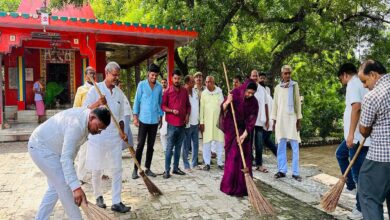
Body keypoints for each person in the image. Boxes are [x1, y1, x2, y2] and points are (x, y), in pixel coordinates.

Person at [28, 107, 111, 220]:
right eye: (98, 127)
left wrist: (74, 182)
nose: (98, 132)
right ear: (92, 117)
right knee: (65, 187)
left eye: (102, 130)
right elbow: (66, 158)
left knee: (55, 188)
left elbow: (70, 154)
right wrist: (76, 188)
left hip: (54, 151)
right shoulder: (76, 126)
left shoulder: (85, 122)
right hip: (40, 148)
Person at [83, 62, 130, 213]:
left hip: (114, 137)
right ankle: (98, 196)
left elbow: (121, 115)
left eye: (118, 75)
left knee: (117, 169)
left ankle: (116, 201)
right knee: (97, 168)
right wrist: (98, 103)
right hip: (98, 136)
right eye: (114, 75)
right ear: (106, 73)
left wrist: (123, 131)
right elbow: (84, 110)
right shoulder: (95, 89)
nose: (116, 78)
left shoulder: (119, 93)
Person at [336, 63, 371, 220]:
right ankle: (349, 184)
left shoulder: (352, 83)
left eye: (340, 79)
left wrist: (350, 135)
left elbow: (356, 107)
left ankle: (359, 208)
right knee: (340, 154)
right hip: (358, 136)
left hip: (356, 137)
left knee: (359, 175)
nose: (341, 82)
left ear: (344, 75)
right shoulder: (362, 83)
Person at [358, 60, 390, 220]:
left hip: (382, 157)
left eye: (364, 81)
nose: (364, 86)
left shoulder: (373, 95)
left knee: (368, 194)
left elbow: (364, 130)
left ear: (374, 75)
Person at [220, 80, 259, 196]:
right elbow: (222, 109)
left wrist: (243, 135)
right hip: (232, 129)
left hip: (244, 130)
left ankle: (243, 187)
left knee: (243, 159)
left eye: (252, 93)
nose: (249, 95)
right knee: (232, 157)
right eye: (248, 92)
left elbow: (252, 120)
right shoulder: (234, 93)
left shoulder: (254, 102)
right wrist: (228, 102)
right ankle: (229, 186)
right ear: (245, 88)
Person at [132, 64, 163, 179]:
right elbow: (137, 101)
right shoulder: (141, 85)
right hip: (143, 120)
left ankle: (148, 168)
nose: (154, 77)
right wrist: (135, 117)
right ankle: (135, 169)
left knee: (151, 146)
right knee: (140, 145)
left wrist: (161, 117)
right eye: (152, 75)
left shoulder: (159, 87)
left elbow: (160, 103)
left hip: (154, 120)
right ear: (148, 74)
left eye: (156, 75)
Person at [272, 65, 303, 181]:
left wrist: (299, 120)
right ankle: (282, 170)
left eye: (289, 73)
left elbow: (298, 103)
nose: (288, 75)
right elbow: (275, 105)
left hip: (292, 119)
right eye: (285, 73)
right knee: (281, 145)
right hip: (280, 119)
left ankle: (295, 172)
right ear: (281, 75)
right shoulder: (277, 88)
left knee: (295, 146)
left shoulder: (295, 86)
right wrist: (274, 121)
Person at [161, 70, 191, 179]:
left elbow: (188, 106)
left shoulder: (184, 91)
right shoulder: (168, 91)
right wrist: (171, 110)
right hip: (172, 124)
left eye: (178, 78)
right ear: (172, 79)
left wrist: (187, 115)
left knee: (179, 148)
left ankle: (176, 168)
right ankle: (167, 170)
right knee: (169, 148)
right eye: (175, 78)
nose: (177, 80)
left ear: (181, 79)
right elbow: (163, 106)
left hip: (182, 124)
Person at [73, 66, 96, 184]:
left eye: (94, 73)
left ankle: (98, 173)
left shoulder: (98, 88)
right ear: (86, 75)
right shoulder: (81, 89)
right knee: (83, 150)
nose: (92, 75)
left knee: (97, 149)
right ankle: (80, 176)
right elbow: (76, 107)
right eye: (90, 73)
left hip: (97, 123)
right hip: (85, 122)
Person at [250, 70, 274, 173]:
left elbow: (266, 105)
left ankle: (259, 164)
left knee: (259, 144)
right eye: (253, 76)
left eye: (256, 76)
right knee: (248, 143)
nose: (255, 77)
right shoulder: (247, 88)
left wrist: (268, 119)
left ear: (258, 77)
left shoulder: (262, 90)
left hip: (260, 121)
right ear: (250, 77)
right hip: (249, 120)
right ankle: (248, 162)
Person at [200, 76, 225, 171]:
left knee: (219, 142)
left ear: (213, 82)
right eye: (206, 82)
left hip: (218, 122)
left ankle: (219, 162)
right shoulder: (204, 93)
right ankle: (207, 163)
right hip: (207, 122)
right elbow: (201, 108)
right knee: (206, 143)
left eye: (209, 82)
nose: (207, 84)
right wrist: (201, 122)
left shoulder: (219, 92)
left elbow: (222, 106)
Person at [182, 75, 199, 172]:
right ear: (188, 82)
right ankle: (186, 165)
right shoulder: (183, 92)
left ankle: (194, 163)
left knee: (195, 144)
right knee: (186, 145)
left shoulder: (195, 92)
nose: (194, 83)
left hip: (195, 122)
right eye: (192, 81)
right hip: (187, 124)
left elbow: (197, 106)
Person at [159, 78, 169, 152]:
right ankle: (165, 149)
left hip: (168, 112)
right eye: (162, 82)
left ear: (167, 83)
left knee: (169, 132)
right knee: (162, 132)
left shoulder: (169, 92)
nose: (163, 84)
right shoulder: (159, 92)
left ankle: (170, 148)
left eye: (165, 82)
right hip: (161, 113)